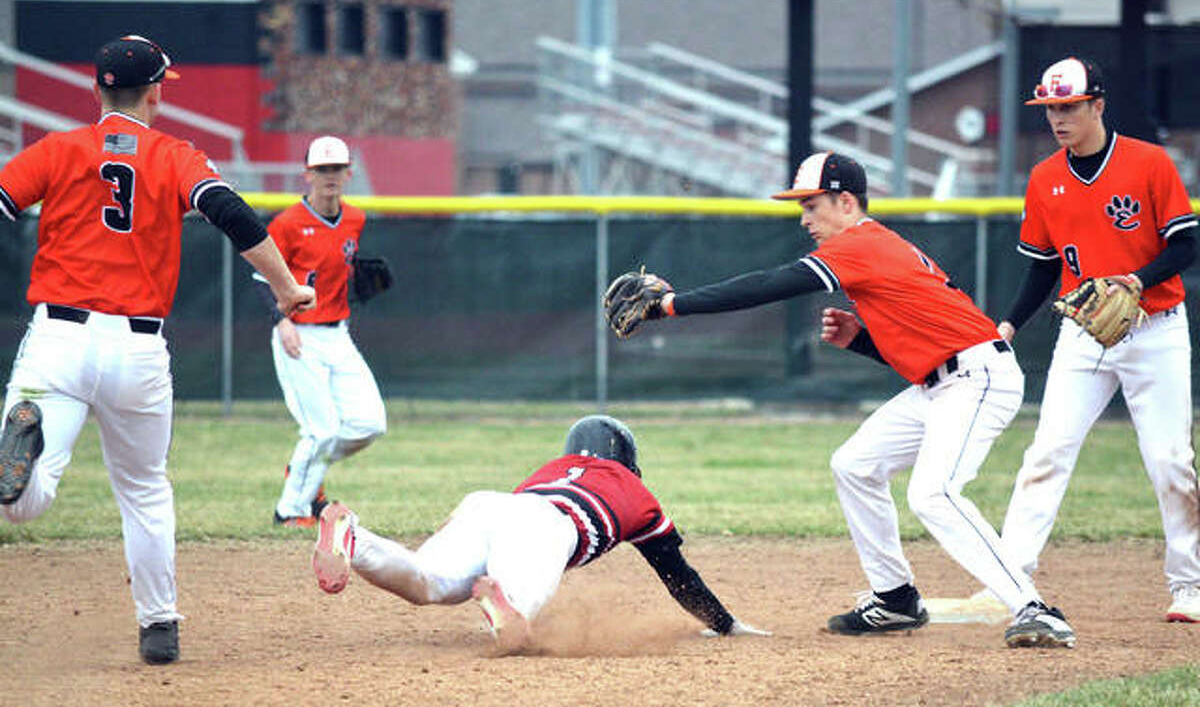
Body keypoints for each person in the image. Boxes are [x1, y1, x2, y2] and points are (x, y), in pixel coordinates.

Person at [612, 151, 1076, 648]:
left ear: (847, 202)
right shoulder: (875, 247)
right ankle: (895, 598)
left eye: (812, 205)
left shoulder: (859, 244)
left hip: (977, 379)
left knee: (933, 494)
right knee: (855, 465)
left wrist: (670, 305)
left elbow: (770, 285)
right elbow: (925, 349)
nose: (804, 218)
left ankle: (1033, 608)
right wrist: (860, 341)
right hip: (944, 382)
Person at [0, 34, 316, 665]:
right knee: (144, 490)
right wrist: (287, 288)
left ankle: (20, 448)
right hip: (137, 349)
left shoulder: (59, 150)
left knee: (24, 506)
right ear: (155, 94)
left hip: (58, 339)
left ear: (96, 89)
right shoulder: (173, 155)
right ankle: (159, 625)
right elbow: (230, 212)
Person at [991, 56, 1200, 623]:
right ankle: (1009, 578)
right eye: (1050, 109)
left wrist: (1137, 280)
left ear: (1097, 105)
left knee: (1170, 461)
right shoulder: (1044, 178)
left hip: (1156, 328)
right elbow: (1042, 267)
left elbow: (1185, 246)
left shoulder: (1149, 163)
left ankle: (1188, 585)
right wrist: (1010, 323)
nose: (1058, 118)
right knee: (1047, 452)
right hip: (1083, 333)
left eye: (1069, 107)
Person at [311, 414, 769, 651]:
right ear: (628, 459)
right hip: (549, 524)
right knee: (518, 622)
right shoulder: (638, 495)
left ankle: (356, 538)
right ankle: (510, 607)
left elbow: (465, 521)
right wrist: (725, 624)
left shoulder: (551, 469)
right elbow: (679, 577)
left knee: (427, 582)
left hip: (491, 504)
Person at [256, 136, 386, 528]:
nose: (330, 176)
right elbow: (260, 279)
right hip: (298, 335)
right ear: (307, 174)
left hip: (338, 333)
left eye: (337, 169)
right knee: (321, 430)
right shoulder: (287, 224)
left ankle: (303, 469)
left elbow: (340, 265)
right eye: (322, 169)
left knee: (369, 424)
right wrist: (281, 322)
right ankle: (290, 511)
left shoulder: (355, 219)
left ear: (349, 173)